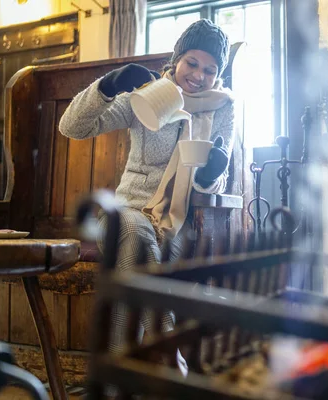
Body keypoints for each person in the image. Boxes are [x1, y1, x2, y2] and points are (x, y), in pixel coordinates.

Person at [58, 19, 234, 373]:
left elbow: (213, 184)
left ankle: (116, 378)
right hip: (124, 212)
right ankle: (168, 356)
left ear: (219, 74)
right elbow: (72, 127)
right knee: (136, 234)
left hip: (178, 221)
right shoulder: (150, 94)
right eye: (192, 63)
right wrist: (107, 87)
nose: (199, 76)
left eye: (211, 70)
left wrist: (214, 170)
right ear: (177, 59)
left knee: (139, 251)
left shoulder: (223, 107)